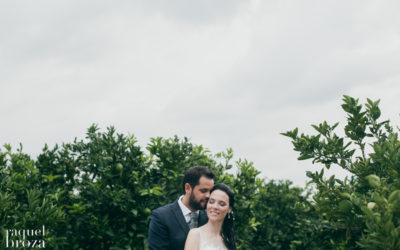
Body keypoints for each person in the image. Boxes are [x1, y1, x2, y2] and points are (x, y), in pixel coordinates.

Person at [148, 166, 215, 250]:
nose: (208, 196)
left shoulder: (210, 217)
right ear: (188, 188)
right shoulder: (161, 217)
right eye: (203, 191)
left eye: (210, 191)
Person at [184, 183, 236, 250]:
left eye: (221, 204)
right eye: (211, 202)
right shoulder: (195, 234)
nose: (215, 207)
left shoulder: (228, 239)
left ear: (229, 209)